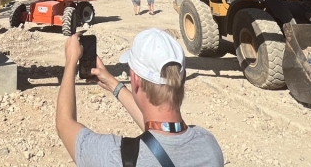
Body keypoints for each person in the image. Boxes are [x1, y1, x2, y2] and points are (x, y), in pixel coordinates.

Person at [57, 28, 224, 167]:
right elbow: (157, 128)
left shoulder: (117, 157)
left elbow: (64, 124)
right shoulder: (209, 146)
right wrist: (113, 85)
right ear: (184, 77)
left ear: (135, 80)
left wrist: (71, 61)